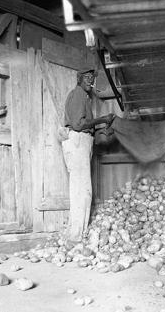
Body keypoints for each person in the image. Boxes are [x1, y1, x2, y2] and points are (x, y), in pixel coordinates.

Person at [61, 68, 114, 242]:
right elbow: (78, 124)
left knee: (81, 189)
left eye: (92, 78)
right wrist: (101, 120)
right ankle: (76, 235)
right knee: (81, 189)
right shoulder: (78, 94)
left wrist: (98, 126)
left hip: (80, 141)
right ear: (79, 79)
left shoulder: (83, 96)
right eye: (87, 78)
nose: (90, 81)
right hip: (77, 142)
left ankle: (76, 232)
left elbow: (82, 124)